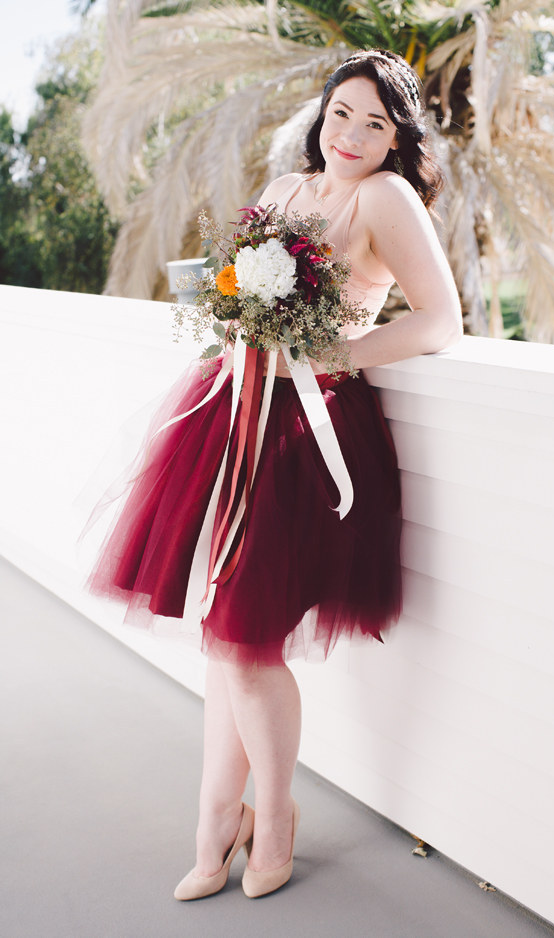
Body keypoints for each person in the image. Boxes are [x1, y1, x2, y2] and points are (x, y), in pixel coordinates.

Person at [87, 49, 462, 901]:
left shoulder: (384, 198)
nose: (353, 135)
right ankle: (217, 822)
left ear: (397, 135)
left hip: (308, 428)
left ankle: (277, 816)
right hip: (237, 409)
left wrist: (341, 350)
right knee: (227, 637)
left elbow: (440, 321)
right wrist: (231, 303)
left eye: (375, 122)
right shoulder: (293, 189)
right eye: (342, 114)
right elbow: (237, 285)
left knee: (247, 644)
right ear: (320, 114)